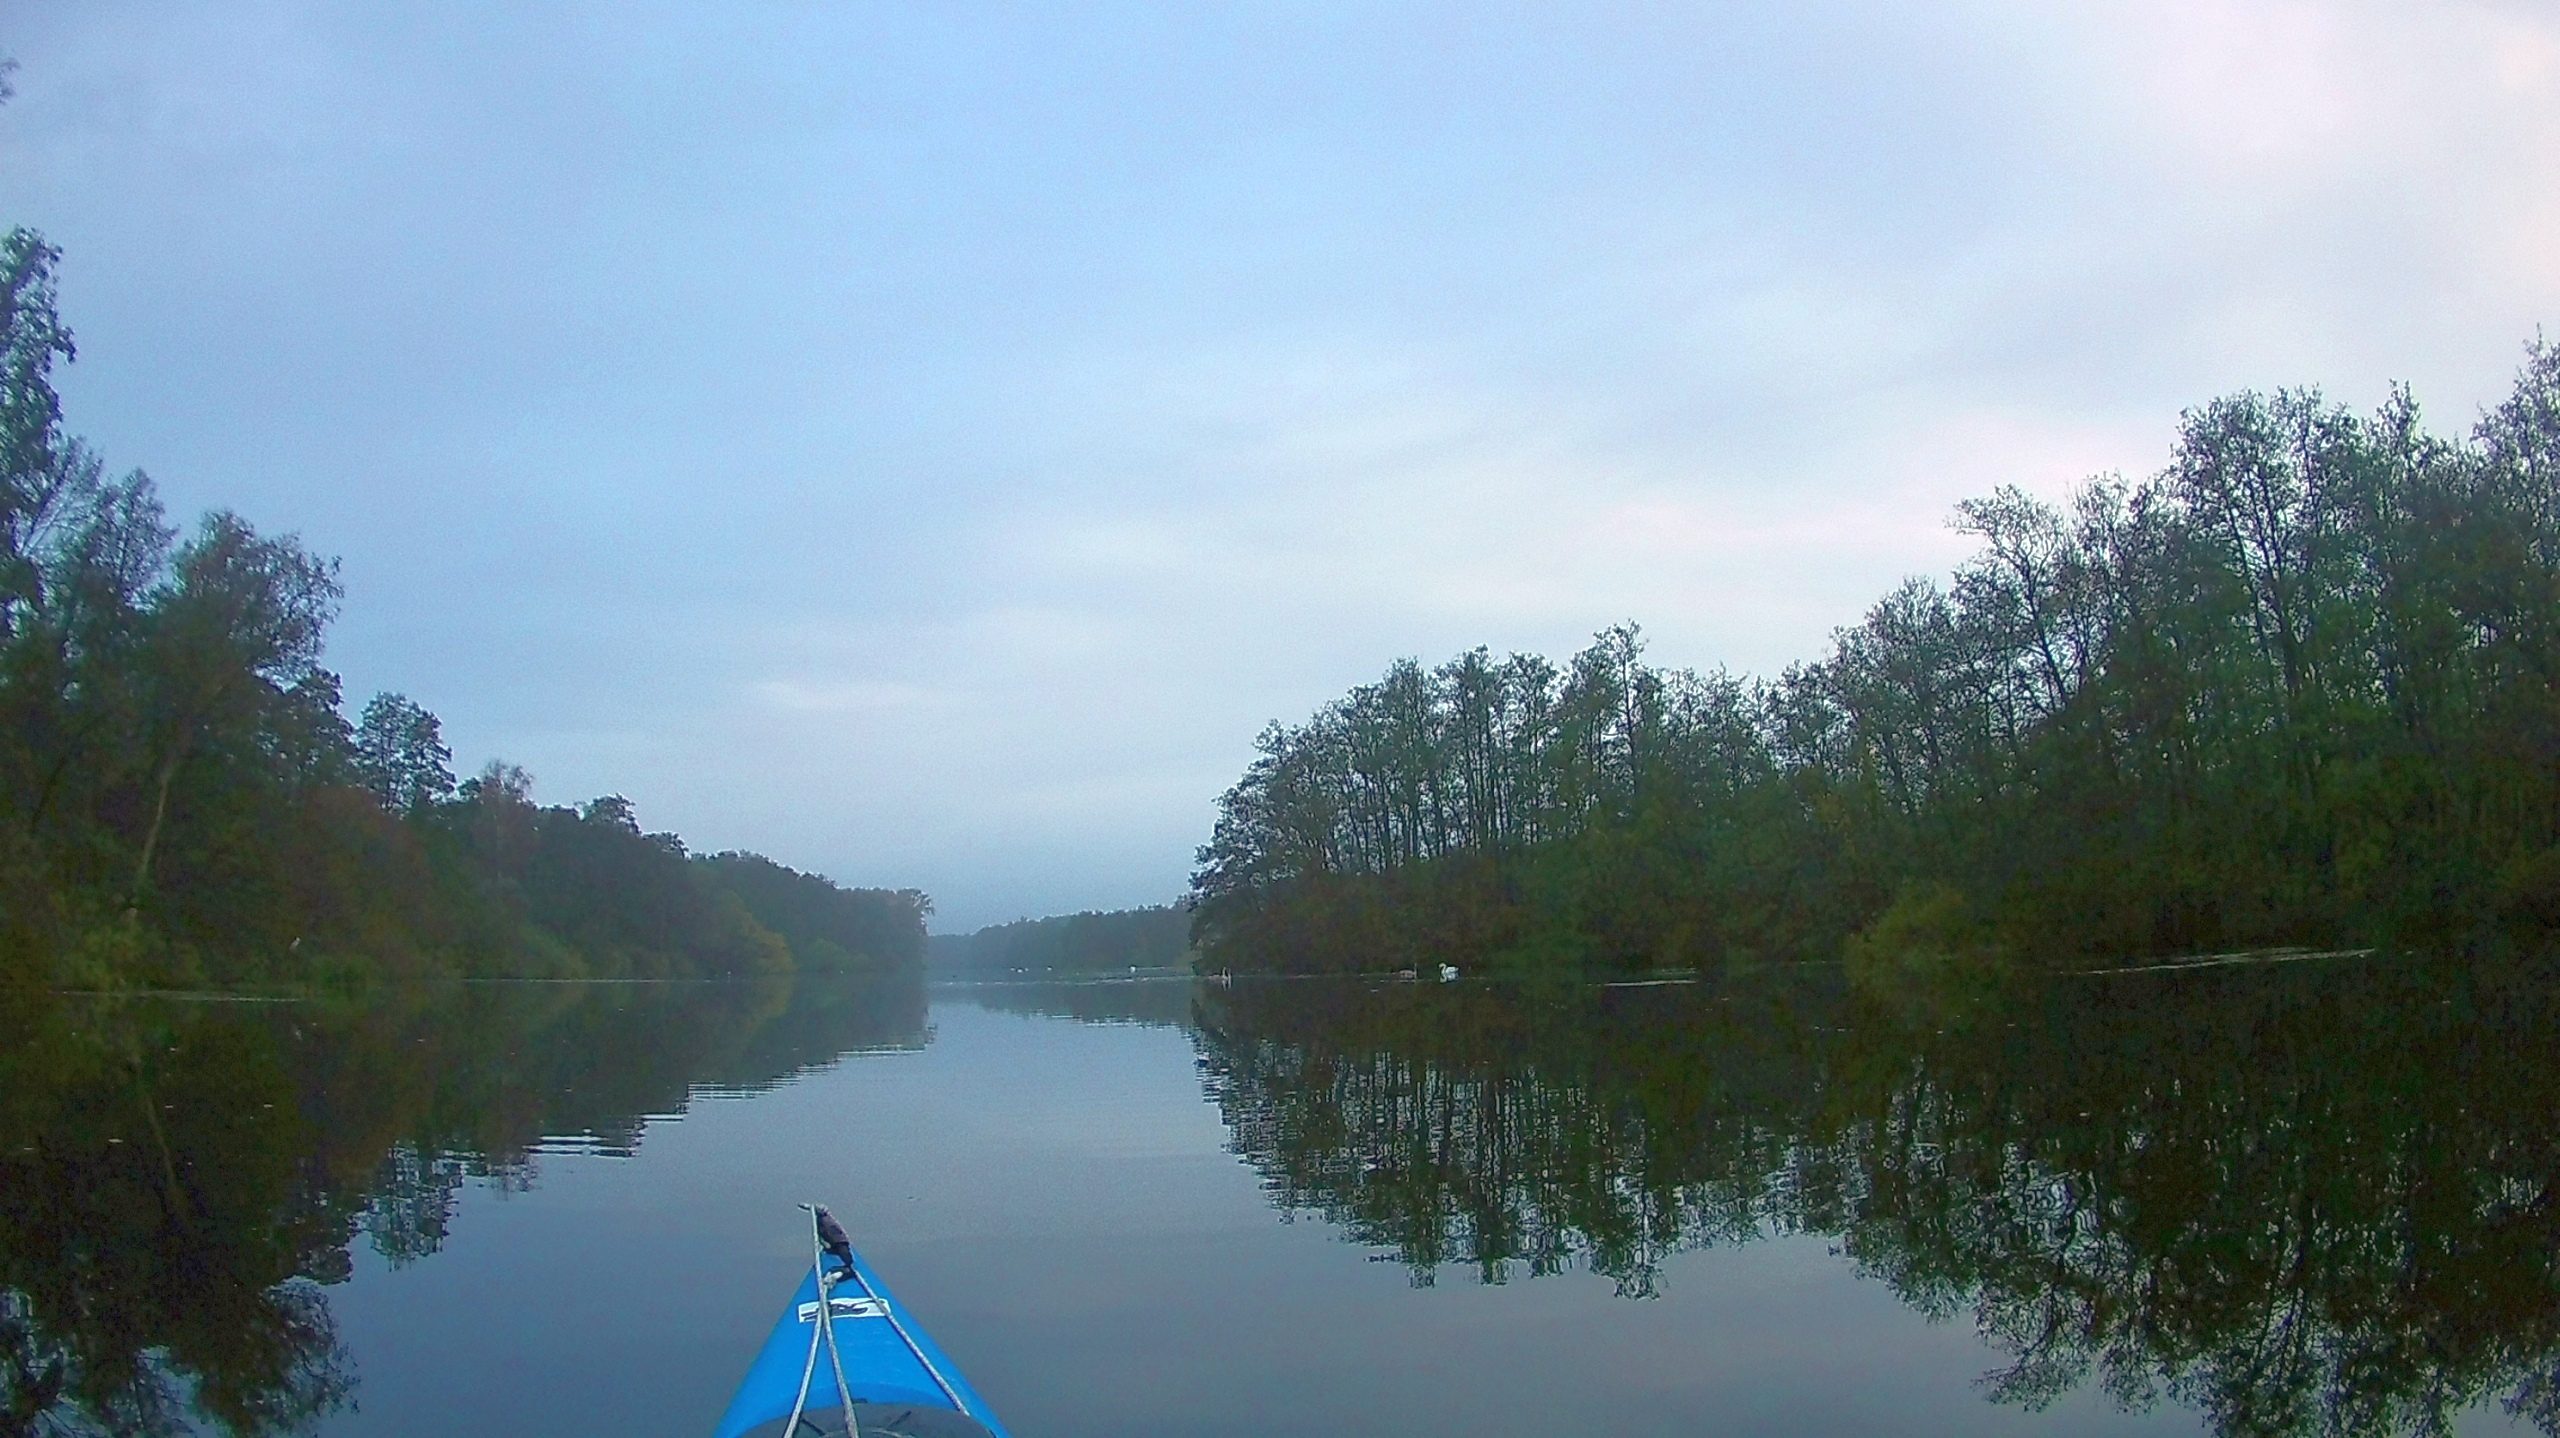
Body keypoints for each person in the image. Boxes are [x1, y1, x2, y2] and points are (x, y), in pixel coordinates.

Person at [814, 1204, 858, 1282]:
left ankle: (847, 1270)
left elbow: (832, 1232)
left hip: (838, 1242)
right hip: (836, 1242)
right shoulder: (823, 1221)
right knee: (843, 1257)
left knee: (846, 1258)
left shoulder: (826, 1220)